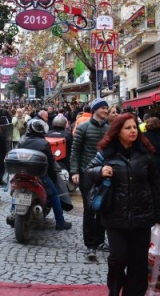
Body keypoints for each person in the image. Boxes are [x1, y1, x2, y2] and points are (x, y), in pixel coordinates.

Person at [86, 112, 160, 295]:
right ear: (117, 131)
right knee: (118, 258)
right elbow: (88, 173)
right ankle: (114, 289)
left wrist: (158, 215)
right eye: (127, 128)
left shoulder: (146, 155)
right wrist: (100, 171)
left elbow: (155, 186)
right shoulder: (106, 154)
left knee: (138, 263)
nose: (132, 131)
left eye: (134, 127)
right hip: (115, 216)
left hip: (142, 216)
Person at [70, 98, 110, 261]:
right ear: (95, 110)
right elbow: (75, 150)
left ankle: (100, 241)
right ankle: (90, 245)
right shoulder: (83, 127)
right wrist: (74, 171)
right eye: (103, 108)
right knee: (89, 209)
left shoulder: (109, 129)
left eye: (107, 108)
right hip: (86, 173)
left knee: (102, 208)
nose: (106, 110)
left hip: (104, 173)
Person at [17, 118, 72, 230]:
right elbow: (51, 162)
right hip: (39, 175)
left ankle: (13, 212)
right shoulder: (44, 143)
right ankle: (60, 222)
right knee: (54, 195)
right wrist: (53, 172)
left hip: (22, 173)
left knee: (16, 191)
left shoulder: (22, 141)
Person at [143, 117, 160, 199]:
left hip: (146, 165)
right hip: (159, 166)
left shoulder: (143, 137)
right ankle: (159, 208)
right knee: (159, 189)